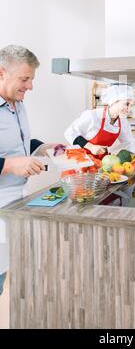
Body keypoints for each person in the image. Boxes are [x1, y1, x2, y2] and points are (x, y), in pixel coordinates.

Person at [0, 45, 59, 295]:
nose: (30, 86)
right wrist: (9, 165)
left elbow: (19, 143)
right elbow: (10, 158)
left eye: (31, 80)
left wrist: (43, 146)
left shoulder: (16, 104)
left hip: (12, 206)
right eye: (24, 79)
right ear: (1, 72)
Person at [65, 84, 135, 157]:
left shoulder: (122, 122)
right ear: (115, 101)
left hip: (99, 163)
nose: (129, 109)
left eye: (131, 105)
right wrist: (91, 147)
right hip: (80, 161)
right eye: (126, 104)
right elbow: (70, 133)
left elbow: (129, 143)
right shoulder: (93, 116)